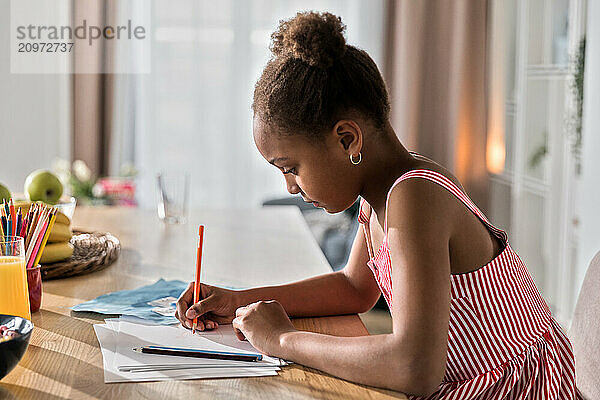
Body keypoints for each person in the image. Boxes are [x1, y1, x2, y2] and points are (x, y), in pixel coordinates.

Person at [176, 11, 581, 399]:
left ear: (347, 139)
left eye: (291, 167)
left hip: (515, 390)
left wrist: (283, 339)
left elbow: (415, 368)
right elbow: (355, 288)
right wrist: (237, 301)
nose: (291, 186)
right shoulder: (381, 194)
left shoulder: (414, 196)